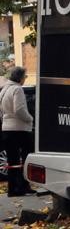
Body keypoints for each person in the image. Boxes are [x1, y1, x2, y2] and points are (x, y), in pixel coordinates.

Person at [1, 66, 34, 196]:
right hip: (19, 129)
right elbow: (19, 109)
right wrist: (30, 119)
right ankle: (24, 185)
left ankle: (13, 189)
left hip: (7, 128)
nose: (25, 79)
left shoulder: (4, 89)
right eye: (25, 77)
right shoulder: (17, 89)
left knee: (12, 161)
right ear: (20, 78)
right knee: (27, 157)